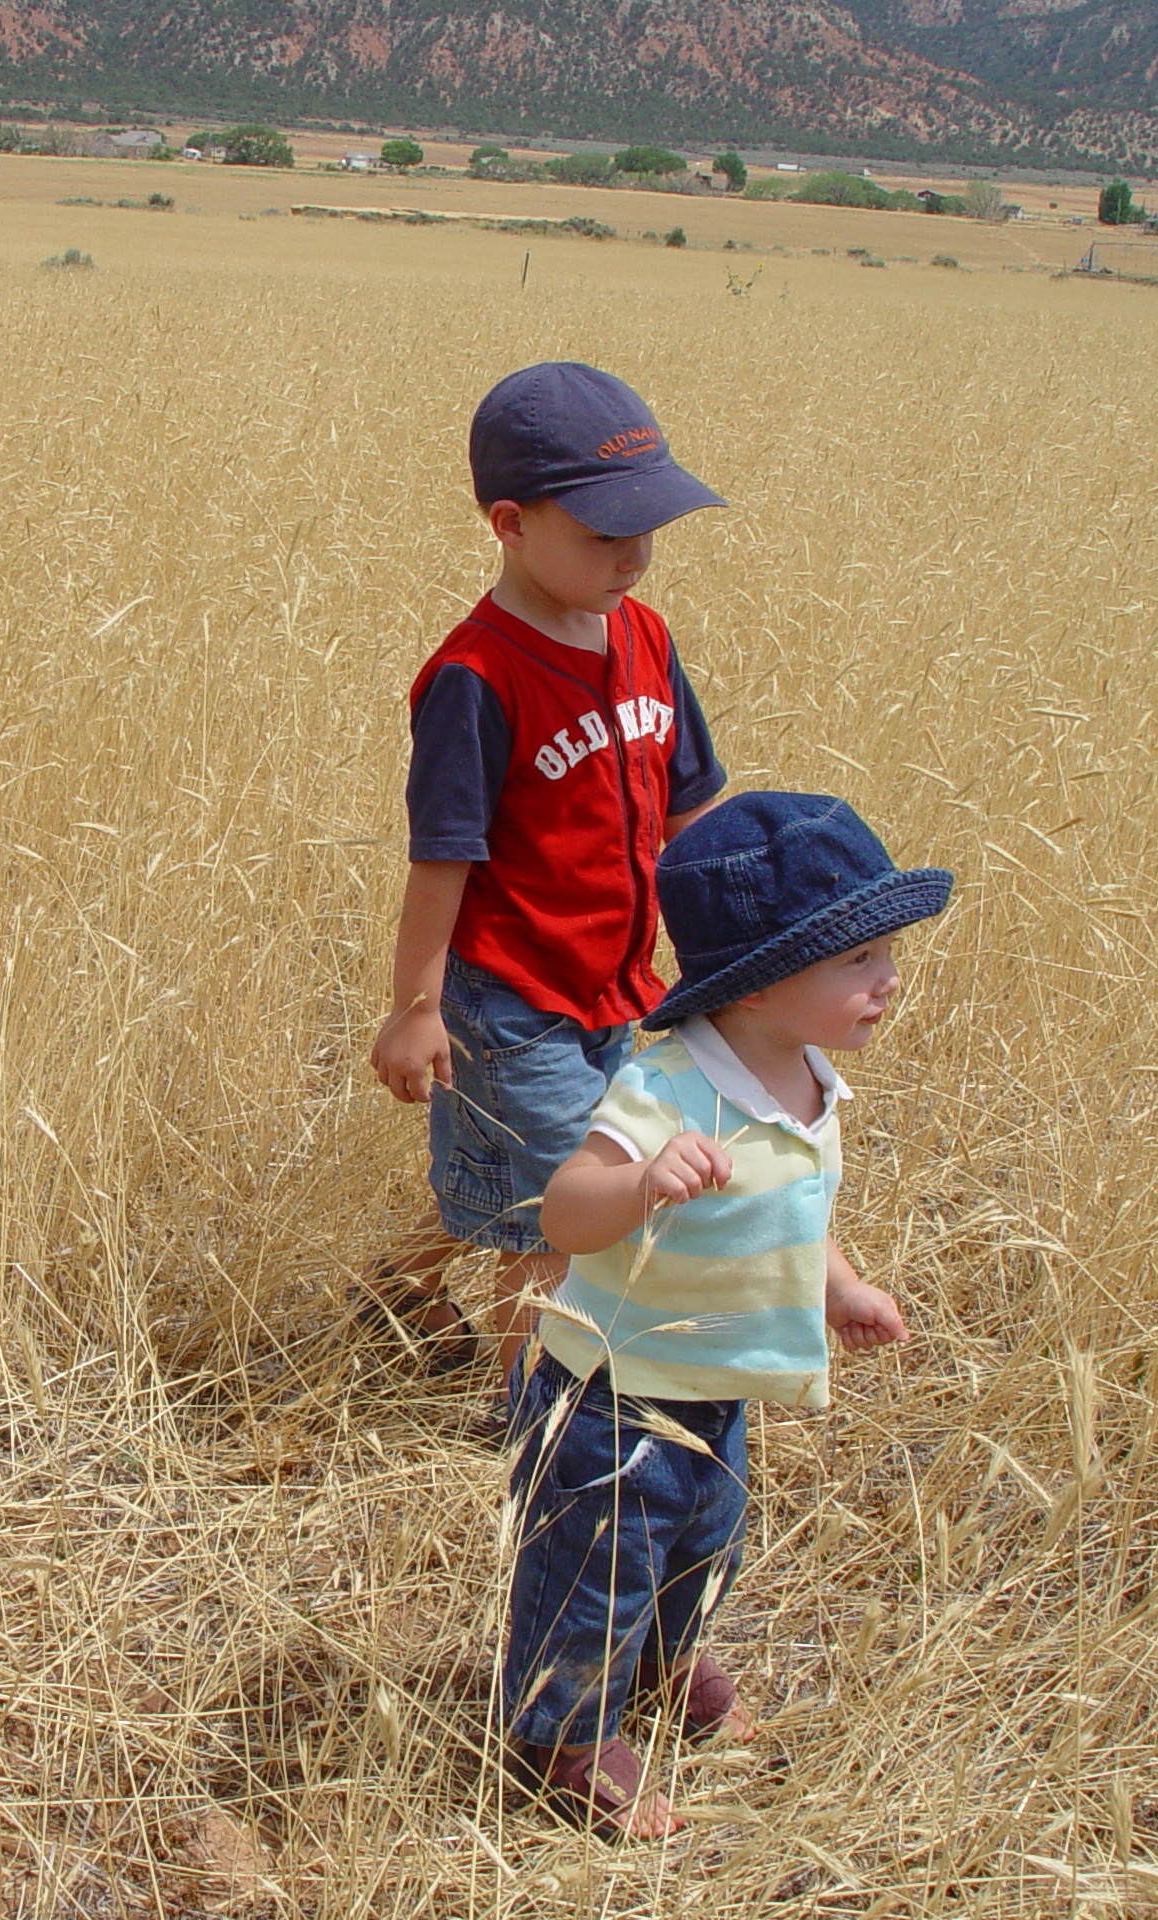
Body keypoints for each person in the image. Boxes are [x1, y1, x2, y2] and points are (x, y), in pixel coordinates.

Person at [504, 791, 952, 1837]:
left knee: (702, 1546)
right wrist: (645, 1182)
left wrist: (839, 1286)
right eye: (858, 959)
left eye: (886, 952)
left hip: (716, 1390)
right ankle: (565, 1737)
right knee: (595, 1567)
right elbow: (566, 1215)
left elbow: (798, 1211)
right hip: (612, 1396)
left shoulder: (806, 1078)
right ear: (755, 982)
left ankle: (661, 1670)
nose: (888, 978)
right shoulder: (666, 1089)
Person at [366, 362, 729, 1396]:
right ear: (510, 523)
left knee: (514, 1176)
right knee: (564, 1211)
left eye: (645, 529)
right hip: (510, 998)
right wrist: (414, 1009)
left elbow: (691, 805)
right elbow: (442, 860)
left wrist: (732, 946)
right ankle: (536, 1424)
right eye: (602, 533)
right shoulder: (474, 682)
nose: (632, 557)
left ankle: (397, 1283)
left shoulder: (648, 640)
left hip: (613, 983)